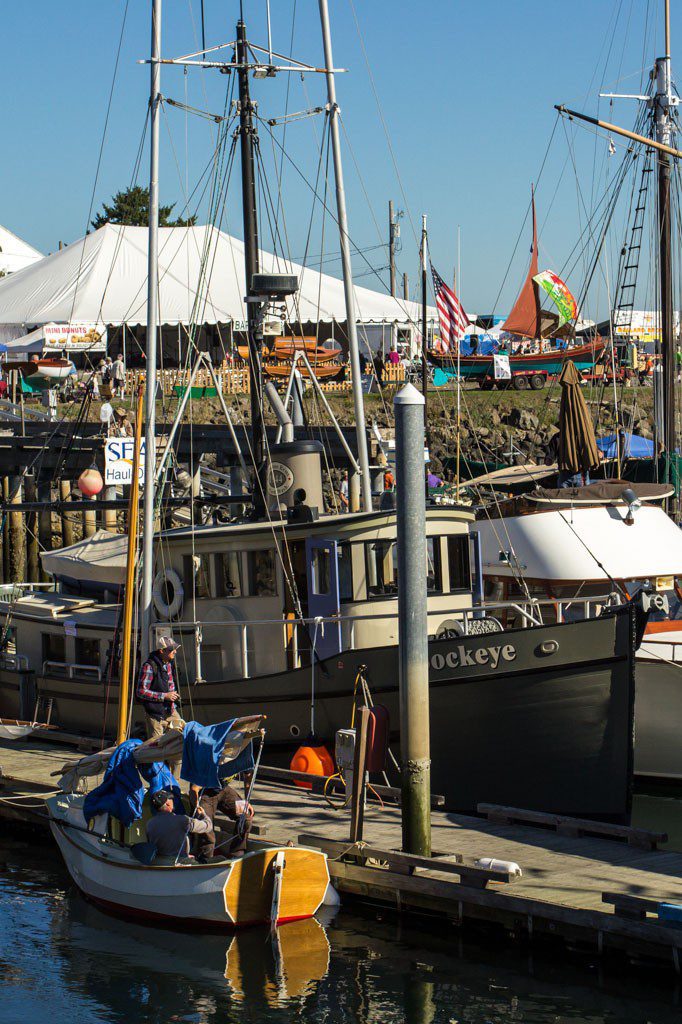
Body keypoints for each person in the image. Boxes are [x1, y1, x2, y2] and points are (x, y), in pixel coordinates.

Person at [136, 636, 184, 748]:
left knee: (179, 746)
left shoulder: (169, 664)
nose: (175, 652)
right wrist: (164, 696)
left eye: (175, 649)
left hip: (171, 711)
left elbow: (169, 684)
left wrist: (174, 695)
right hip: (156, 715)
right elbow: (141, 691)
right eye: (171, 650)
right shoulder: (149, 666)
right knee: (156, 750)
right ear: (161, 651)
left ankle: (177, 766)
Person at [189, 781, 254, 860]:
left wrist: (247, 800)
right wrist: (196, 806)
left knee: (246, 816)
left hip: (222, 788)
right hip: (204, 792)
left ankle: (237, 853)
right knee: (207, 833)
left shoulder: (244, 768)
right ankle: (205, 860)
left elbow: (248, 777)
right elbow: (193, 789)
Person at [146, 788, 212, 860]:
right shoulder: (182, 820)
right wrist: (203, 814)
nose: (172, 800)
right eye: (170, 798)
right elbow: (208, 826)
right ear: (168, 804)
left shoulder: (150, 824)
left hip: (158, 861)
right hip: (178, 862)